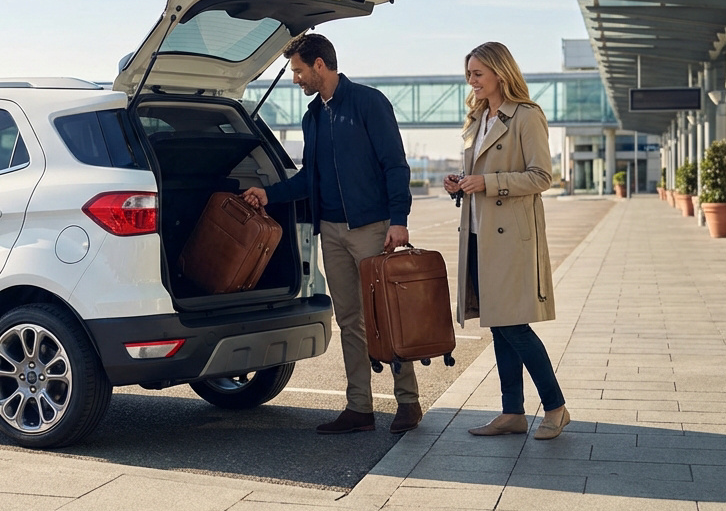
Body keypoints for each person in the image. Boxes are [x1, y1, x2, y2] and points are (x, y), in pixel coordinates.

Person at [241, 33, 421, 434]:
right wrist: (269, 195)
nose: (296, 79)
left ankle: (408, 401)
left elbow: (395, 164)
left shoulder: (369, 103)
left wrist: (398, 219)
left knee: (385, 316)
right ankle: (359, 407)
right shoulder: (313, 117)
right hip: (332, 232)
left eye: (299, 71)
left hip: (372, 229)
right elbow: (310, 178)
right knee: (350, 320)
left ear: (319, 65)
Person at [442, 41, 569, 440]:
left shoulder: (526, 116)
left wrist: (488, 182)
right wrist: (460, 184)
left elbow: (542, 176)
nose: (471, 81)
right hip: (478, 235)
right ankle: (512, 411)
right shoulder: (477, 118)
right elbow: (478, 176)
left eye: (478, 73)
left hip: (511, 238)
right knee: (498, 326)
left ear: (500, 73)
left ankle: (556, 408)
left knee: (513, 326)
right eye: (469, 74)